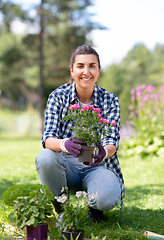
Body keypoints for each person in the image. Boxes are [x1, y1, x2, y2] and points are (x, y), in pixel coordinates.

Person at [35, 45, 125, 221]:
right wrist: (64, 144)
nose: (86, 71)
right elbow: (47, 139)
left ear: (98, 70)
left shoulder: (110, 100)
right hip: (65, 169)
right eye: (80, 66)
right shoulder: (58, 97)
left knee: (107, 199)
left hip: (96, 168)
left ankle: (96, 208)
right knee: (45, 157)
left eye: (92, 66)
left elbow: (112, 140)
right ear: (72, 70)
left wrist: (104, 152)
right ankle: (61, 209)